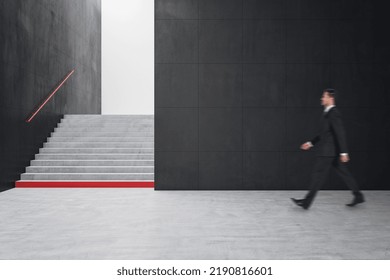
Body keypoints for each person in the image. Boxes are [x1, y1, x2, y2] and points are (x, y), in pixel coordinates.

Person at [291, 89, 365, 210]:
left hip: (328, 152)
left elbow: (340, 133)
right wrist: (310, 143)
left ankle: (306, 203)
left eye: (324, 96)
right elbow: (323, 134)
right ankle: (358, 195)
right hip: (331, 152)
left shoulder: (334, 113)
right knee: (344, 174)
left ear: (331, 98)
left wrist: (344, 152)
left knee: (317, 176)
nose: (321, 98)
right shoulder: (326, 113)